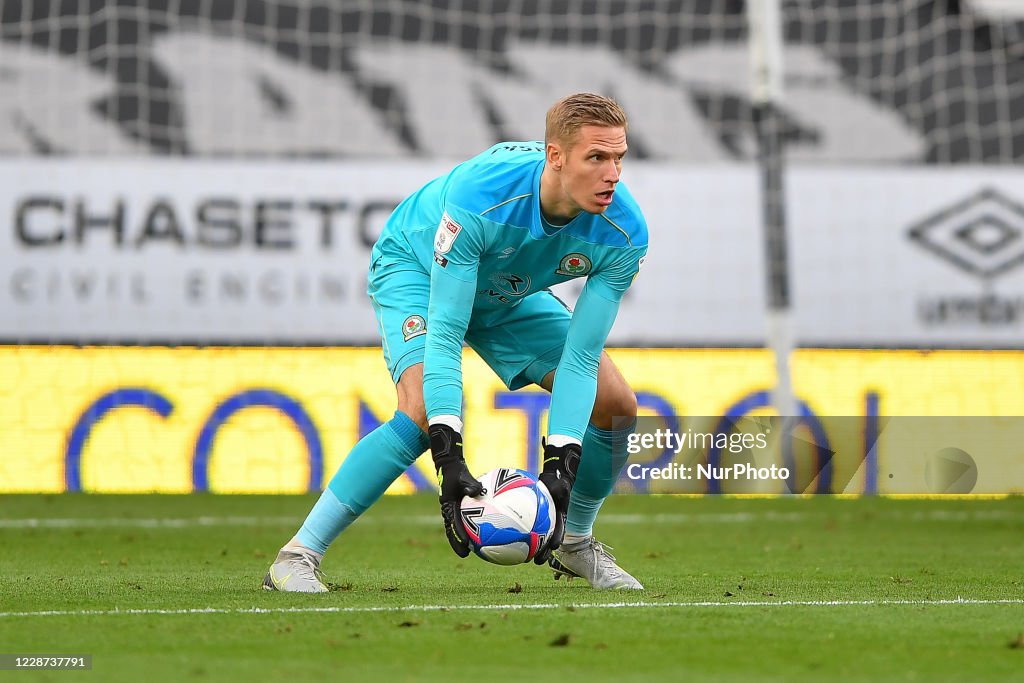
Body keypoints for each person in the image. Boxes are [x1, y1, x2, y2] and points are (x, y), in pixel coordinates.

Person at [263, 92, 648, 593]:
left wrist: (561, 464)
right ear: (555, 156)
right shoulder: (482, 193)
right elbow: (445, 328)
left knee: (615, 404)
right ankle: (297, 556)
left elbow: (581, 356)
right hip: (419, 271)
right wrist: (449, 460)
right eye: (596, 158)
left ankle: (575, 544)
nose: (612, 174)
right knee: (422, 412)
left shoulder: (624, 230)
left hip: (508, 291)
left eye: (619, 157)